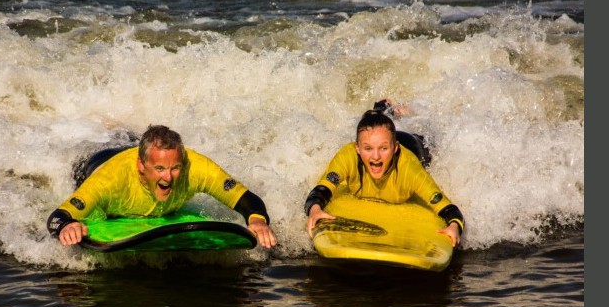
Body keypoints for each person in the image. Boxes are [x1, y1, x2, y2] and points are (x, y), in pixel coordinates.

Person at [48, 124, 277, 248]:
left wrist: (257, 219)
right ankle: (114, 129)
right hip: (98, 161)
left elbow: (246, 199)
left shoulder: (195, 167)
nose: (168, 178)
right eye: (160, 170)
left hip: (142, 152)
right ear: (141, 166)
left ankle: (129, 134)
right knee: (112, 142)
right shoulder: (109, 180)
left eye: (174, 168)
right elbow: (59, 216)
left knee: (132, 138)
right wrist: (67, 226)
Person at [304, 102, 464, 246]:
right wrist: (315, 210)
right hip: (383, 136)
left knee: (430, 138)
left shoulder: (410, 169)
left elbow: (448, 208)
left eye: (384, 149)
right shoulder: (348, 156)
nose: (375, 157)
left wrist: (454, 226)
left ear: (394, 148)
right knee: (372, 126)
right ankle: (381, 108)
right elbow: (321, 190)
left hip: (414, 144)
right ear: (357, 149)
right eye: (367, 149)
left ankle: (404, 113)